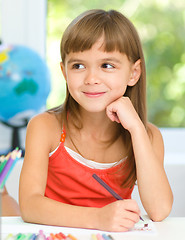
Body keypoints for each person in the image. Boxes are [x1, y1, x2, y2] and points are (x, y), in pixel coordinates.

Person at [19, 9, 173, 232]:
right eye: (78, 66)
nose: (91, 79)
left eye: (107, 65)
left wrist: (137, 130)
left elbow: (159, 211)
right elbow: (30, 206)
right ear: (64, 71)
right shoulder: (45, 127)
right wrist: (97, 218)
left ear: (134, 73)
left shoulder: (147, 136)